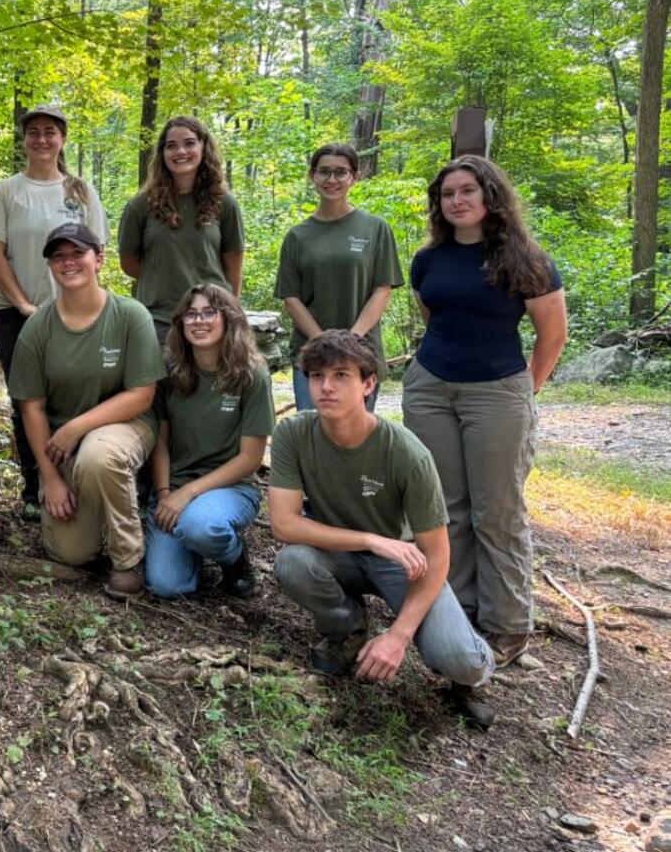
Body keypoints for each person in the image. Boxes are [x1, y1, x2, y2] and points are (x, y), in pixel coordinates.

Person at [269, 329, 495, 728]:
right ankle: (347, 629)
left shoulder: (405, 452)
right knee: (293, 562)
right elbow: (284, 524)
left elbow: (438, 554)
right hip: (341, 554)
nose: (326, 387)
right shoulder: (293, 433)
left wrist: (398, 636)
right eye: (317, 376)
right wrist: (371, 539)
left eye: (341, 376)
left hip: (404, 563)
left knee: (462, 661)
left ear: (368, 384)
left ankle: (468, 663)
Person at [401, 155, 568, 668]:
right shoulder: (430, 260)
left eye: (467, 191)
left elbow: (552, 335)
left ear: (490, 196)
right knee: (443, 508)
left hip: (497, 389)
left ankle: (507, 624)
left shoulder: (526, 260)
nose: (457, 201)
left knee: (496, 510)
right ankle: (456, 613)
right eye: (448, 194)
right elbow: (435, 318)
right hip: (431, 387)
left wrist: (522, 392)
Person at [8, 222, 165, 600]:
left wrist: (77, 427)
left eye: (77, 253)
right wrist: (51, 478)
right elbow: (32, 409)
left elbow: (142, 395)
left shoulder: (130, 315)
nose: (68, 262)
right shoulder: (38, 328)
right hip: (63, 447)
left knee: (99, 455)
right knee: (71, 553)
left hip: (127, 426)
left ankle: (128, 561)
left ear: (98, 259)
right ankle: (106, 517)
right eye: (58, 257)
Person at [0, 103, 107, 518]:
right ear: (25, 140)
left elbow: (95, 250)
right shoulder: (5, 192)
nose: (41, 139)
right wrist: (23, 304)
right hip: (19, 314)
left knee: (76, 396)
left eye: (50, 131)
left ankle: (80, 481)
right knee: (26, 400)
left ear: (62, 138)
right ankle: (35, 489)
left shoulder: (79, 191)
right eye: (33, 132)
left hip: (75, 313)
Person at [144, 285, 274, 599]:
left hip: (230, 488)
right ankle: (195, 548)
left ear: (229, 319)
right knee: (168, 586)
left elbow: (250, 458)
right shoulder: (170, 373)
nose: (198, 321)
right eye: (190, 314)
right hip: (173, 486)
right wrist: (164, 494)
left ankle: (234, 560)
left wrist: (187, 494)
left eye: (208, 313)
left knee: (201, 525)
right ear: (180, 323)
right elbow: (159, 442)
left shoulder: (252, 375)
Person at [275, 142, 403, 412]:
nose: (331, 179)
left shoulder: (375, 229)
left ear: (354, 177)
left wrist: (350, 340)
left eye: (340, 172)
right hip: (310, 354)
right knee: (313, 437)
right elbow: (291, 296)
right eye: (324, 172)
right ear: (312, 176)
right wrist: (323, 340)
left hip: (362, 352)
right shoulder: (297, 236)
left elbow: (382, 289)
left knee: (357, 440)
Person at [117, 116, 244, 344]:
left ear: (204, 147)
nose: (180, 151)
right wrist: (165, 277)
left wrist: (229, 313)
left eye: (189, 143)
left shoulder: (224, 203)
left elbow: (233, 266)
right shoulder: (140, 205)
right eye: (171, 146)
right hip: (159, 320)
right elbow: (129, 263)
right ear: (162, 153)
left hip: (211, 318)